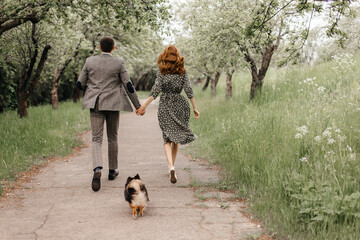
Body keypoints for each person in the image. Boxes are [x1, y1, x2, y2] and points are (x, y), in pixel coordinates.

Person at [76, 36, 142, 192]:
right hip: (113, 104)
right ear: (113, 48)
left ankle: (97, 169)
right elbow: (128, 85)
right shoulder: (119, 62)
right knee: (112, 137)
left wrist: (91, 92)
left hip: (96, 103)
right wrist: (138, 106)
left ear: (100, 47)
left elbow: (79, 83)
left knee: (96, 138)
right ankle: (113, 171)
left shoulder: (89, 61)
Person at [136, 45, 200, 184]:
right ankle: (172, 166)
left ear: (165, 55)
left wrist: (143, 107)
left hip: (165, 104)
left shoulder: (162, 71)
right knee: (175, 137)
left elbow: (155, 91)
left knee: (167, 138)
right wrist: (195, 108)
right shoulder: (182, 71)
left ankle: (171, 166)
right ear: (177, 55)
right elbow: (189, 90)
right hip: (180, 104)